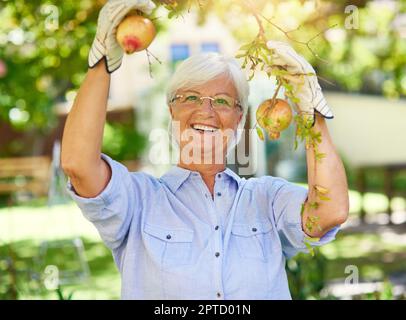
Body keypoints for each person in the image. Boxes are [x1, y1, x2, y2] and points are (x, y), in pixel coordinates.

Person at [61, 0, 349, 300]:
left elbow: (330, 212)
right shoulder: (140, 200)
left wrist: (311, 112)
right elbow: (78, 166)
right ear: (171, 110)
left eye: (222, 101)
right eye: (191, 98)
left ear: (240, 118)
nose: (206, 111)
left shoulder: (267, 199)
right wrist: (103, 61)